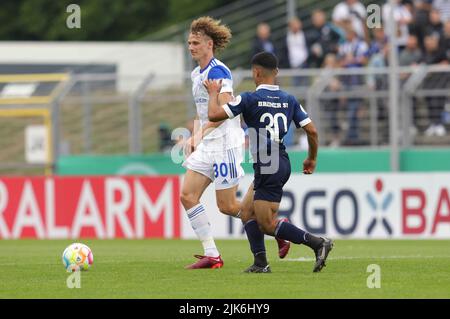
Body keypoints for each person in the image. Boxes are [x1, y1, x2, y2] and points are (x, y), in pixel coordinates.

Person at [204, 52, 333, 273]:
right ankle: (261, 263)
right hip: (278, 161)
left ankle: (317, 242)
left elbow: (214, 115)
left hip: (268, 165)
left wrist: (213, 93)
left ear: (256, 72)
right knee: (246, 212)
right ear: (276, 72)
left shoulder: (248, 99)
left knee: (266, 224)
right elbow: (311, 130)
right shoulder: (289, 99)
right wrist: (311, 157)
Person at [182, 17, 290, 269]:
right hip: (208, 142)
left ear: (209, 44)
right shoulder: (196, 73)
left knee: (228, 206)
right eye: (189, 42)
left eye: (195, 42)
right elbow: (204, 111)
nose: (191, 47)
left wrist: (199, 134)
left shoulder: (219, 72)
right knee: (187, 196)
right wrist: (196, 130)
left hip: (225, 144)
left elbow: (225, 111)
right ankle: (213, 255)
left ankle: (276, 229)